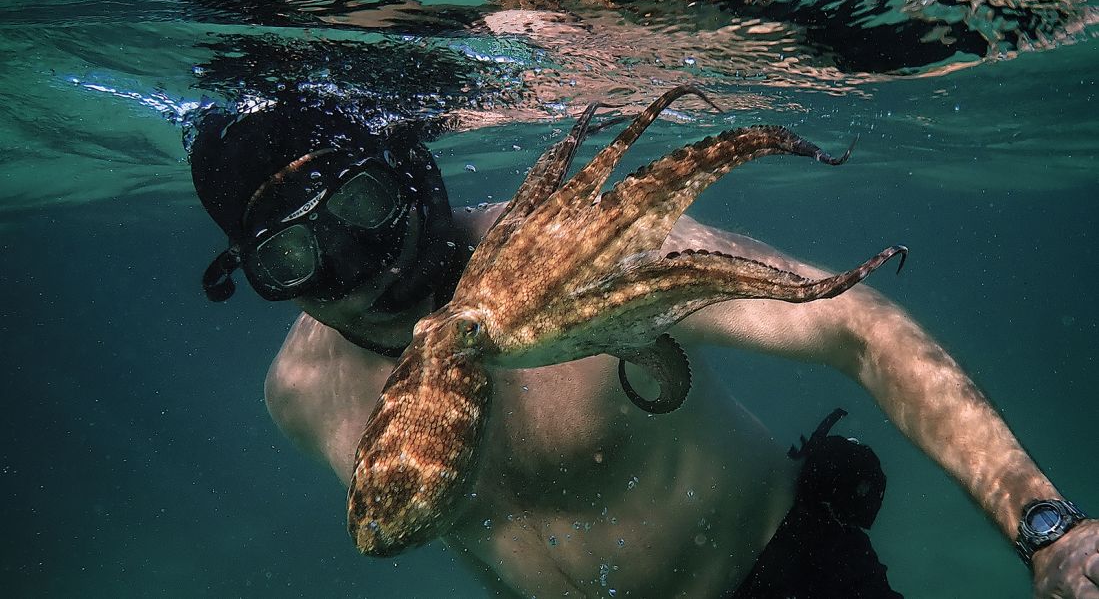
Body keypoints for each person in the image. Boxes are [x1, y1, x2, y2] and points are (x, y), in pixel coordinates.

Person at [190, 93, 1098, 598]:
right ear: (255, 272)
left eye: (361, 205)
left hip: (785, 582)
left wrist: (1044, 532)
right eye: (293, 254)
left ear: (412, 176)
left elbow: (859, 330)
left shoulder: (577, 249)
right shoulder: (299, 393)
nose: (358, 267)